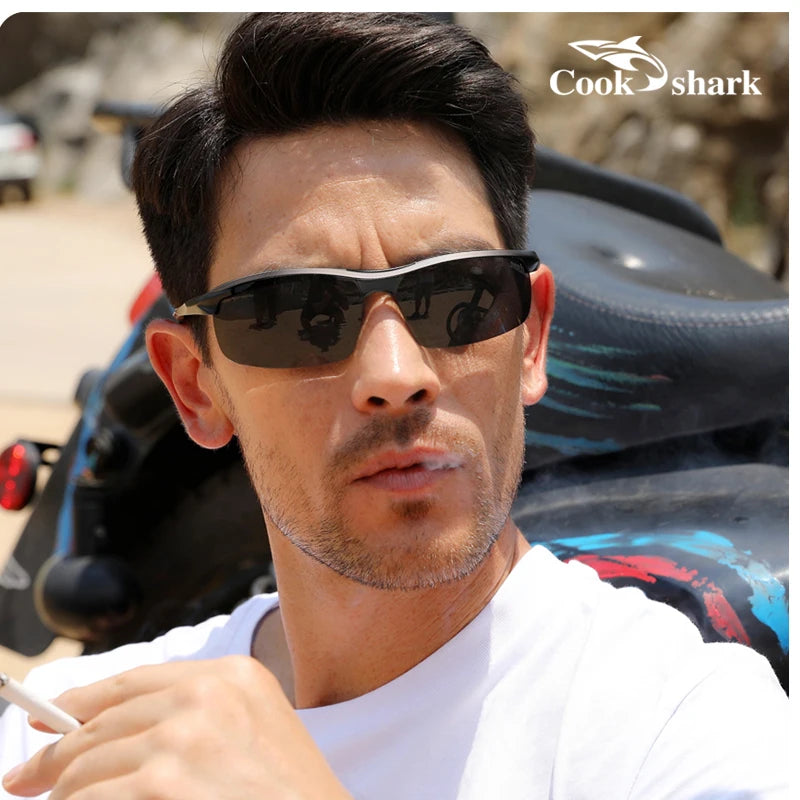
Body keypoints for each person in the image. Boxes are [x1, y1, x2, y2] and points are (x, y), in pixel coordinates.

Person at [0, 12, 788, 799]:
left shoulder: (684, 728)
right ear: (195, 387)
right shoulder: (66, 739)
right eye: (299, 315)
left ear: (533, 338)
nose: (396, 374)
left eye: (458, 296)